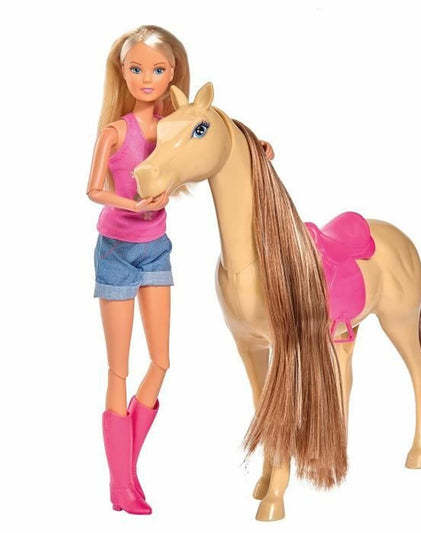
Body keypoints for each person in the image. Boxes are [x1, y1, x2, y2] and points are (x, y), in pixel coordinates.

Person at [87, 25, 273, 515]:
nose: (146, 78)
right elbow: (93, 189)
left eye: (158, 70)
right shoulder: (116, 132)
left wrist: (255, 147)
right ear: (122, 72)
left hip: (156, 251)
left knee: (162, 361)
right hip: (116, 251)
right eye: (136, 69)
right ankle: (122, 482)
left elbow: (210, 139)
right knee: (118, 368)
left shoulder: (174, 124)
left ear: (173, 74)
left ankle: (125, 472)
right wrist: (133, 203)